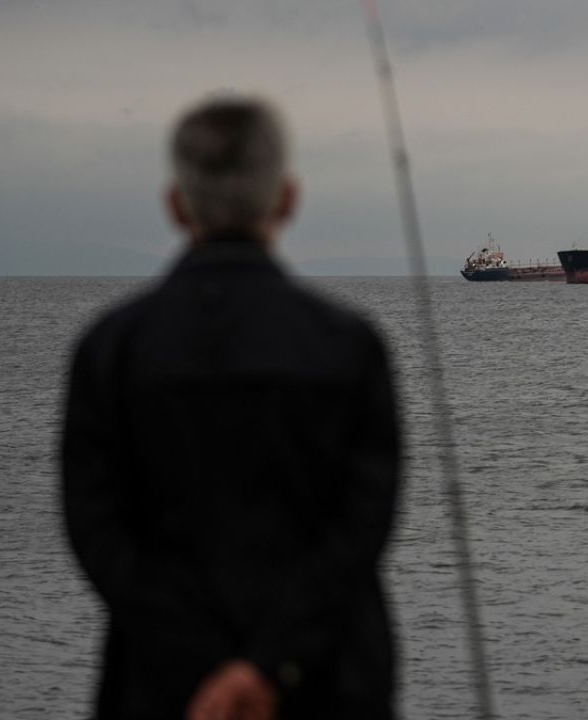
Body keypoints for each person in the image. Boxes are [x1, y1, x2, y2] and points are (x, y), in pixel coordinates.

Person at [61, 96, 401, 720]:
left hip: (161, 690)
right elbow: (363, 528)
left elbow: (96, 530)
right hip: (328, 687)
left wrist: (201, 665)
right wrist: (272, 665)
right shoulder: (350, 348)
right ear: (287, 199)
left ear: (174, 204)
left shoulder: (109, 351)